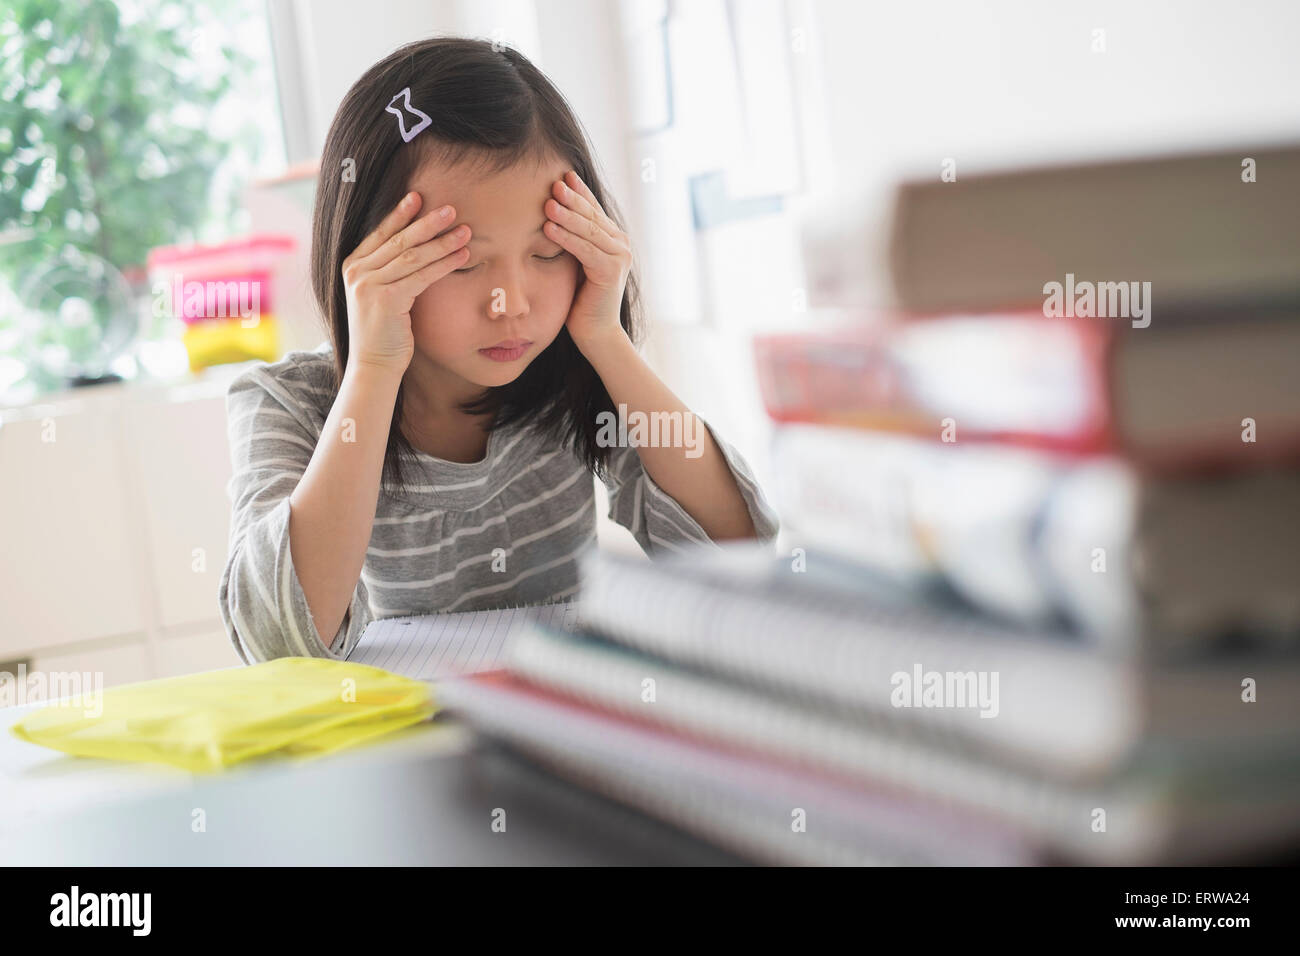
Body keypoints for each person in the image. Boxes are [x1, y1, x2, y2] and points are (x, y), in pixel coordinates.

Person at [219, 37, 780, 664]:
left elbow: (739, 551)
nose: (511, 303)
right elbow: (275, 643)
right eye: (462, 263)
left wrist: (605, 339)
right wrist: (375, 368)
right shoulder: (290, 402)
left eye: (546, 254)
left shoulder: (569, 365)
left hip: (561, 719)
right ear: (368, 260)